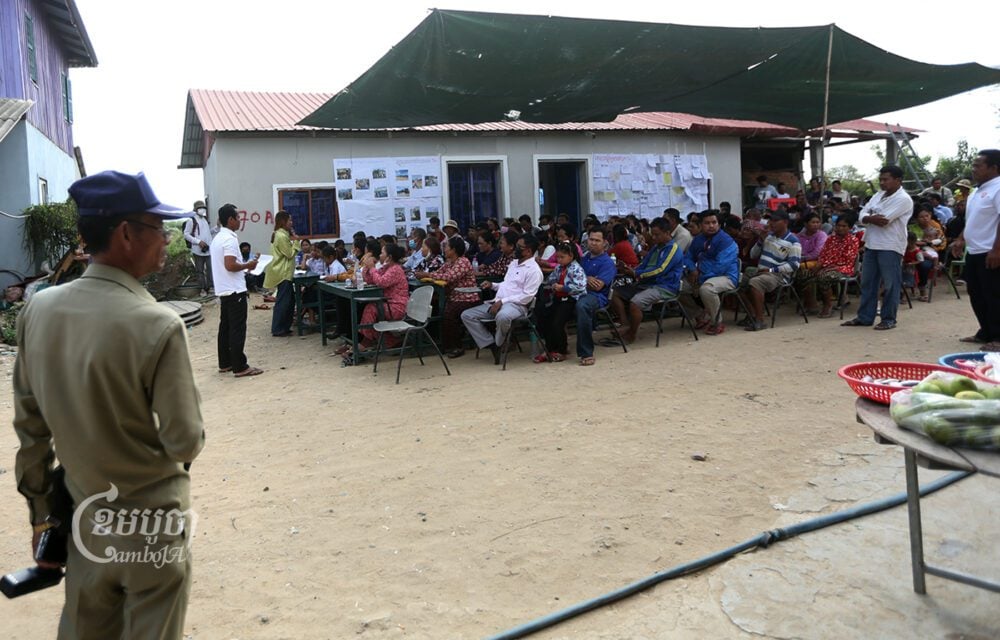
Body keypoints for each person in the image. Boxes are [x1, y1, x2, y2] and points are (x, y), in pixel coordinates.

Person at [14, 170, 205, 638]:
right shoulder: (157, 324)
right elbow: (184, 440)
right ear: (125, 234)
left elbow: (31, 427)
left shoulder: (37, 309)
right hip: (151, 531)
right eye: (158, 228)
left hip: (85, 526)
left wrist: (42, 513)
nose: (165, 239)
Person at [842, 165, 913, 331]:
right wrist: (869, 217)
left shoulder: (903, 199)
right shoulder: (878, 195)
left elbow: (884, 220)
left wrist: (867, 217)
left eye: (885, 179)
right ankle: (865, 317)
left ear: (898, 180)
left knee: (890, 284)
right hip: (872, 243)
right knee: (868, 283)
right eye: (880, 179)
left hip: (890, 245)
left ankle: (889, 318)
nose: (882, 182)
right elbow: (861, 214)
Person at [460, 234, 543, 364]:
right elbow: (506, 285)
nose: (516, 249)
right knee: (467, 315)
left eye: (519, 247)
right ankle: (491, 344)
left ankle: (499, 344)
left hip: (517, 306)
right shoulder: (513, 263)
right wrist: (492, 285)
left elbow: (527, 296)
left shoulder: (534, 270)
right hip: (498, 301)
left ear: (528, 251)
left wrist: (502, 302)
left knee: (503, 317)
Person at [951, 149, 1000, 351]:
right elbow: (972, 220)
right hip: (974, 251)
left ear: (994, 167)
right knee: (976, 293)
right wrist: (961, 239)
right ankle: (985, 332)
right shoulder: (977, 191)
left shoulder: (998, 188)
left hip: (991, 251)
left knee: (994, 295)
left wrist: (997, 250)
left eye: (978, 165)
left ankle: (998, 337)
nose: (974, 169)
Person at [609, 218, 685, 344]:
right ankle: (625, 324)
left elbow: (660, 269)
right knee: (614, 294)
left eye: (657, 234)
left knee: (635, 303)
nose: (653, 237)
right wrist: (630, 270)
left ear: (667, 233)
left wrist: (636, 274)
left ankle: (632, 334)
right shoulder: (656, 247)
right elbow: (644, 264)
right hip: (647, 283)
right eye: (652, 234)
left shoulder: (673, 249)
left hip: (664, 286)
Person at [211, 203, 263, 376]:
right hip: (234, 291)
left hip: (224, 289)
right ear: (231, 220)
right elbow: (230, 265)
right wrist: (249, 264)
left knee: (225, 327)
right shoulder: (230, 239)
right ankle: (240, 366)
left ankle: (225, 362)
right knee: (237, 328)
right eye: (238, 217)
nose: (240, 220)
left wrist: (245, 266)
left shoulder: (217, 238)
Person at [334, 244, 410, 355]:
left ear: (389, 257)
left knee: (371, 308)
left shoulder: (396, 269)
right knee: (367, 308)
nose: (380, 255)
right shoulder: (386, 268)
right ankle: (390, 341)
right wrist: (366, 267)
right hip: (387, 303)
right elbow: (369, 279)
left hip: (397, 306)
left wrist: (372, 268)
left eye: (382, 253)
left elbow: (381, 282)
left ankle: (365, 343)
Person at [679, 210, 739, 335]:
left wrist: (699, 279)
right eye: (707, 223)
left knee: (706, 289)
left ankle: (717, 323)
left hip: (726, 276)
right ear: (701, 225)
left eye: (714, 222)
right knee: (675, 286)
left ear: (719, 224)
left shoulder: (726, 241)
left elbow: (720, 267)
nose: (711, 226)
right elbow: (688, 257)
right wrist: (692, 269)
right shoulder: (698, 239)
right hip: (702, 275)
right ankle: (699, 315)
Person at [740, 209, 801, 331]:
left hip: (778, 275)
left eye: (775, 221)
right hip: (761, 272)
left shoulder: (793, 241)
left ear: (785, 222)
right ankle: (751, 314)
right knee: (737, 280)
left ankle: (760, 320)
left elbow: (794, 265)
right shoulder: (768, 237)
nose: (771, 223)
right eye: (770, 220)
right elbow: (753, 255)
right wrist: (761, 240)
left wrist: (772, 270)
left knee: (756, 282)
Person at [536, 242, 587, 362]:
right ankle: (549, 348)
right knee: (545, 318)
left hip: (572, 300)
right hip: (558, 298)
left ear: (571, 256)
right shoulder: (559, 267)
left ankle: (561, 350)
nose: (559, 260)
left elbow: (581, 287)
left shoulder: (577, 269)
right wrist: (552, 284)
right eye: (557, 257)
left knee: (558, 322)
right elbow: (551, 279)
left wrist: (564, 288)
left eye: (562, 257)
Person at [433, 236, 480, 358]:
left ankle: (457, 346)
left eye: (447, 247)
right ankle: (447, 345)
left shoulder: (463, 262)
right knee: (442, 310)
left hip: (468, 297)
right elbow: (438, 273)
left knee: (449, 314)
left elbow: (449, 277)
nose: (444, 249)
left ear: (453, 250)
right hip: (455, 297)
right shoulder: (449, 263)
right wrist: (427, 275)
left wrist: (427, 275)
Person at [809, 215, 861, 317]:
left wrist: (830, 266)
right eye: (838, 225)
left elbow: (848, 260)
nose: (840, 228)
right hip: (827, 267)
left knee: (824, 277)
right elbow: (823, 255)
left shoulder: (853, 240)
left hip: (843, 268)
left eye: (844, 226)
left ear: (850, 228)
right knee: (805, 274)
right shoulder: (830, 239)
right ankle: (810, 305)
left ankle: (828, 305)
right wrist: (819, 266)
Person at [262, 211, 301, 338]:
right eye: (289, 220)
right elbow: (289, 254)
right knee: (283, 302)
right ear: (283, 222)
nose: (291, 223)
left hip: (285, 272)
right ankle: (278, 328)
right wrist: (296, 242)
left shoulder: (282, 234)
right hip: (282, 273)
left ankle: (285, 326)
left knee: (289, 301)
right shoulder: (281, 236)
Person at [182, 199, 215, 295]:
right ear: (196, 210)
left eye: (203, 208)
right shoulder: (191, 220)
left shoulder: (204, 220)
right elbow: (186, 234)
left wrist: (217, 227)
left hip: (207, 250)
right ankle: (202, 289)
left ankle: (211, 287)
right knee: (200, 271)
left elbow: (208, 233)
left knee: (210, 269)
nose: (202, 210)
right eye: (200, 208)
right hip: (197, 250)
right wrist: (198, 241)